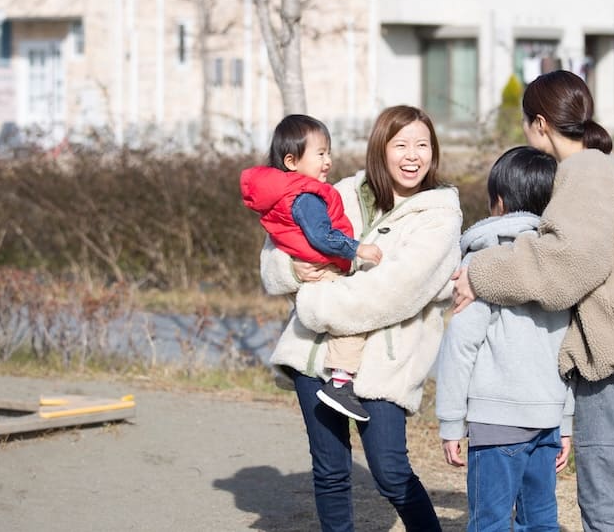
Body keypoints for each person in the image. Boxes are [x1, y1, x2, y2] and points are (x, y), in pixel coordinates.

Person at [452, 70, 614, 532]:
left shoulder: (582, 173)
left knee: (607, 504)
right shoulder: (611, 165)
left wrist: (480, 273)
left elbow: (564, 267)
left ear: (539, 124)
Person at [261, 105, 462, 532]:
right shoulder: (342, 192)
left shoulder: (440, 214)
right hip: (313, 356)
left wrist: (317, 307)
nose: (413, 156)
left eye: (422, 145)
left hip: (384, 362)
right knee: (330, 471)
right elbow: (280, 242)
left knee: (390, 471)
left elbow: (396, 290)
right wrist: (289, 270)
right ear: (380, 149)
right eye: (401, 145)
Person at [436, 145, 573, 532]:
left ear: (497, 202)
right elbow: (570, 348)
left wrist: (451, 421)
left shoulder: (481, 263)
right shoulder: (560, 265)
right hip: (547, 417)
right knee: (541, 522)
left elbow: (461, 346)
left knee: (490, 523)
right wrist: (565, 421)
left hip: (495, 422)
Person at [241, 114, 381, 422]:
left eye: (329, 152)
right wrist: (358, 249)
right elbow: (322, 236)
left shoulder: (286, 193)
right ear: (291, 161)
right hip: (324, 269)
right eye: (320, 154)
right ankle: (342, 383)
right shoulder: (305, 196)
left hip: (313, 273)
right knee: (351, 318)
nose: (328, 161)